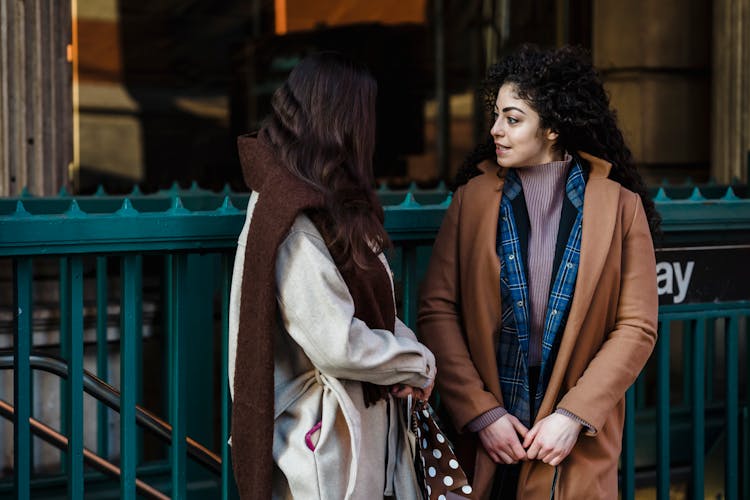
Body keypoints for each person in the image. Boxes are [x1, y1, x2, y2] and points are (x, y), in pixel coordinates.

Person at [417, 44, 659, 499]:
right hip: (484, 439)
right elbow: (436, 312)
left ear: (551, 128)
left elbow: (637, 326)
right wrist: (480, 412)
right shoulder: (470, 201)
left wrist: (573, 416)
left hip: (574, 446)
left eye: (512, 119)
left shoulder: (621, 208)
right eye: (496, 116)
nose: (495, 130)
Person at [228, 52, 436, 499]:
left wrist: (409, 357)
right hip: (328, 453)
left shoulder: (325, 202)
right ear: (341, 123)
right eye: (365, 117)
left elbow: (374, 312)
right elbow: (336, 343)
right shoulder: (290, 214)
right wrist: (416, 363)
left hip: (357, 437)